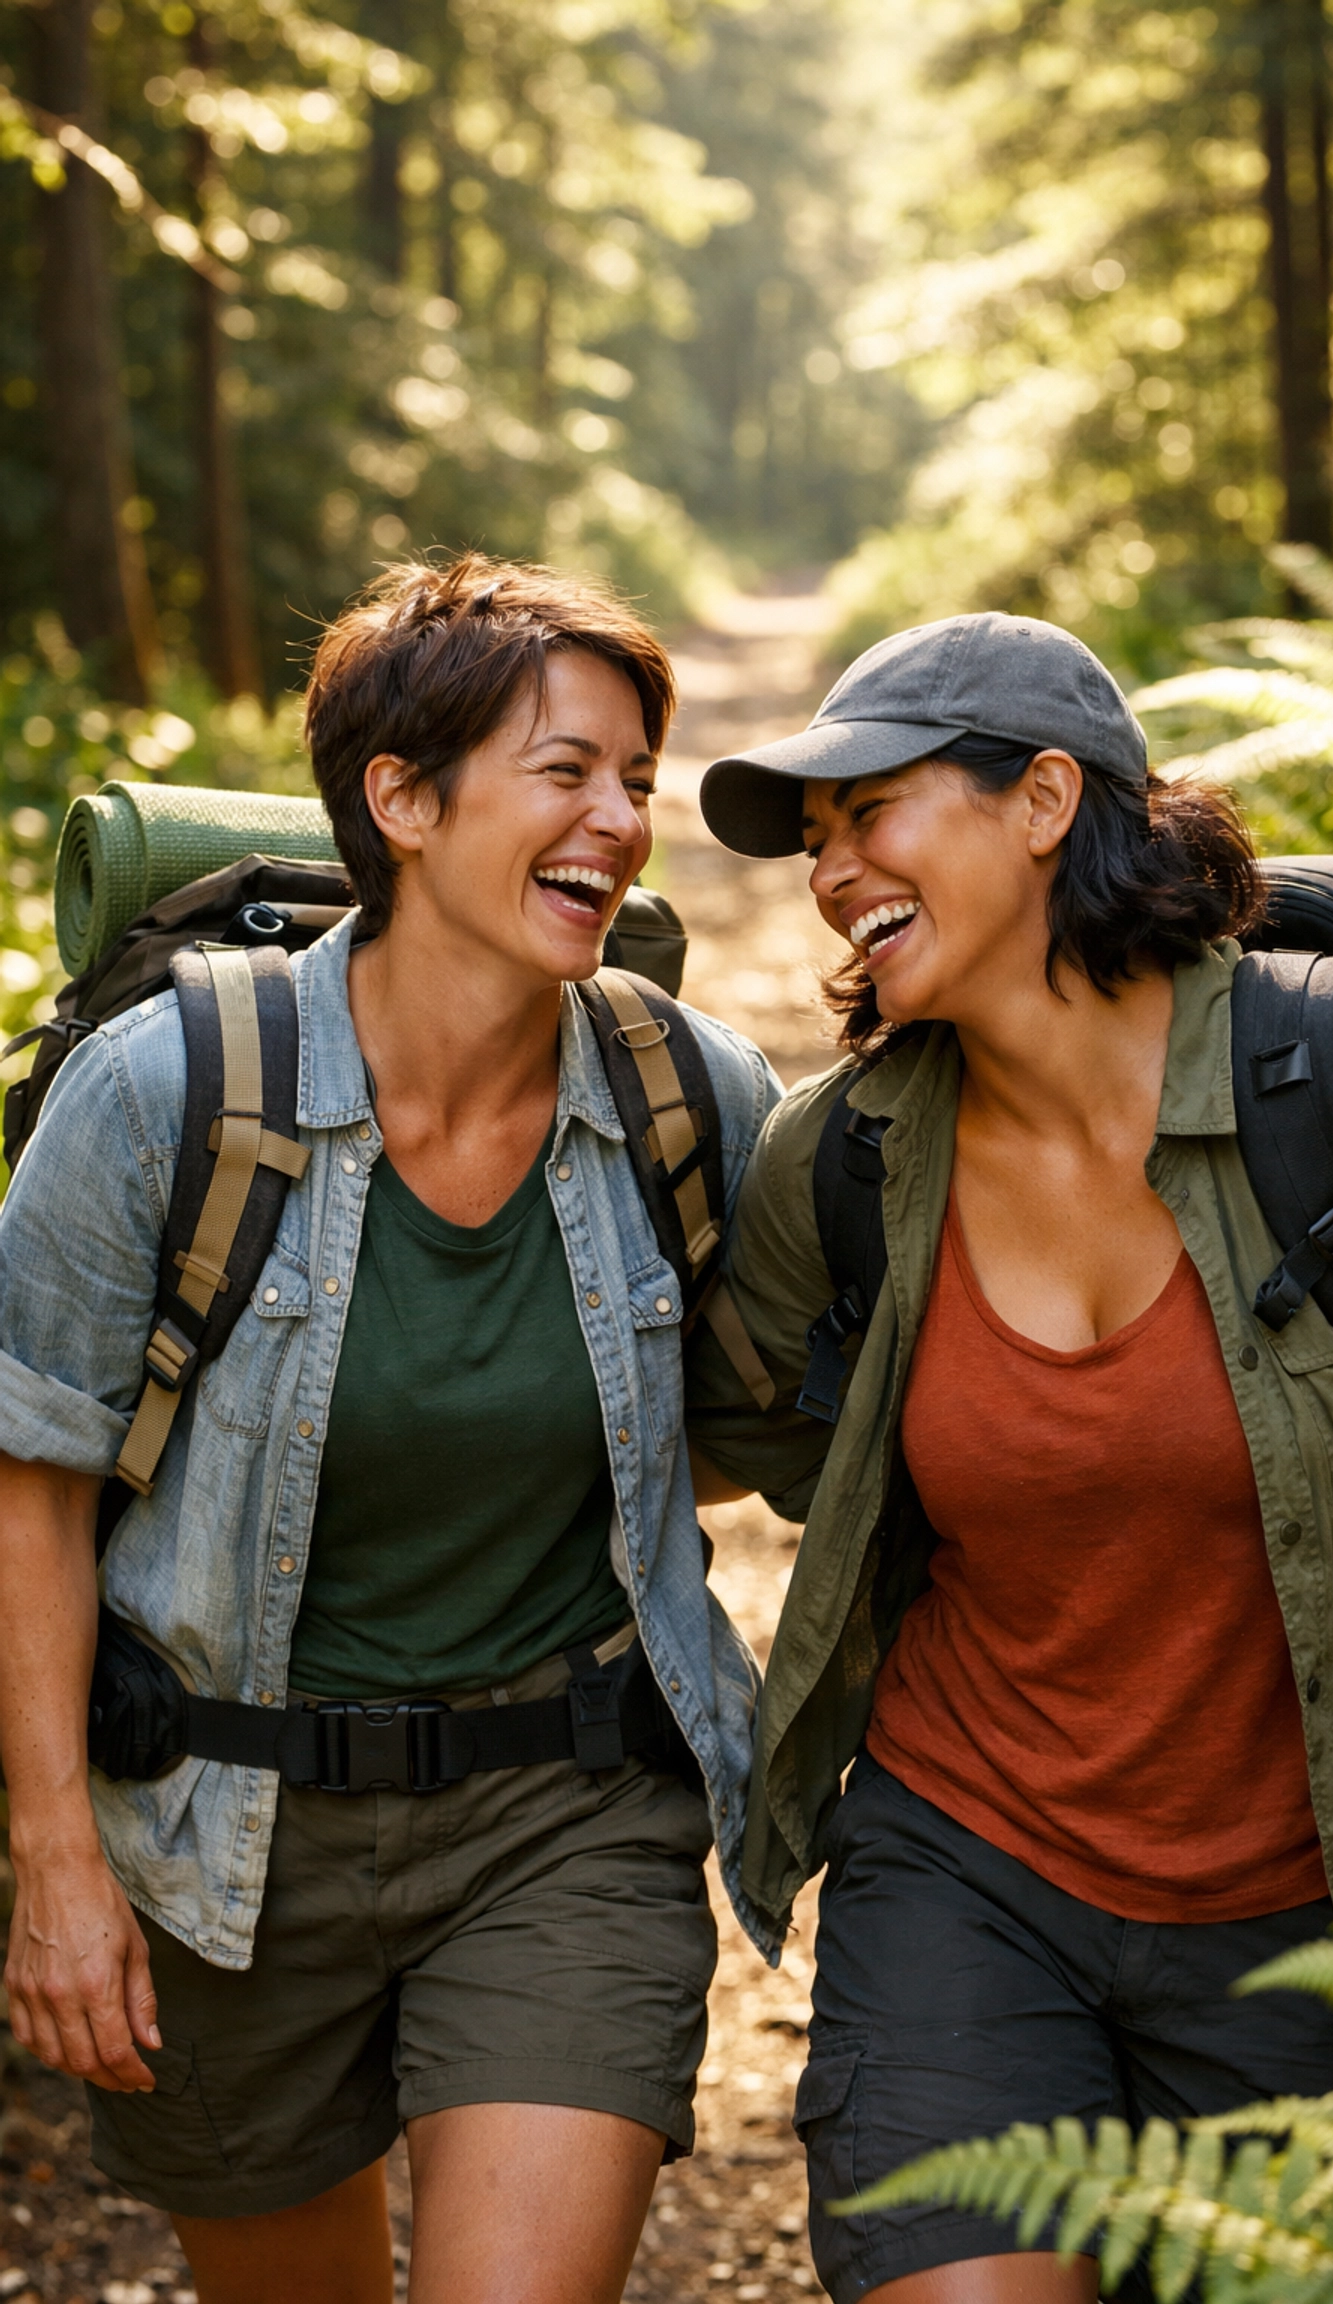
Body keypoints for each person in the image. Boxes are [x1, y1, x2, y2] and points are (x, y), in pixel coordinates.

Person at [684, 611, 1333, 2304]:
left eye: (872, 811)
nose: (832, 870)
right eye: (817, 839)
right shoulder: (841, 1157)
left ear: (1046, 798)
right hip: (967, 1865)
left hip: (1331, 1921)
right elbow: (727, 1424)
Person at [0, 556, 778, 2304]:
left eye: (639, 777)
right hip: (225, 1834)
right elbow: (28, 1487)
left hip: (563, 1812)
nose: (623, 821)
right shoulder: (161, 1097)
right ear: (403, 801)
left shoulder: (687, 1094)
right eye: (566, 770)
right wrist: (54, 1863)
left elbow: (780, 1423)